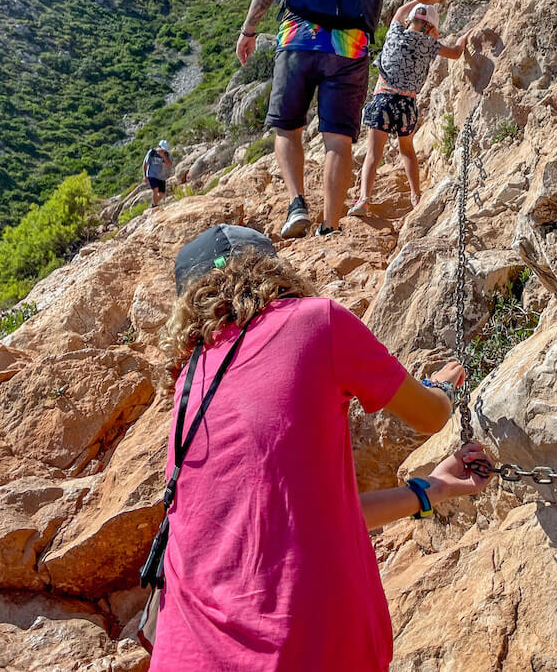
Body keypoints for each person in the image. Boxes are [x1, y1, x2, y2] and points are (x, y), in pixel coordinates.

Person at [150, 224, 492, 671]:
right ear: (274, 272)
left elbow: (301, 517)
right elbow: (430, 416)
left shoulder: (189, 384)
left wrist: (430, 490)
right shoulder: (315, 321)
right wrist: (440, 389)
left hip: (186, 653)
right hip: (301, 647)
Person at [236, 0, 456, 240]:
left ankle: (297, 203)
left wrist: (249, 30)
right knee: (338, 139)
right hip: (349, 46)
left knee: (288, 128)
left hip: (298, 38)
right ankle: (330, 225)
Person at [350, 0, 467, 216]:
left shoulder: (395, 34)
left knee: (373, 155)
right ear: (431, 28)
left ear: (411, 20)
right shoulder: (429, 45)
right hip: (407, 105)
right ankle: (415, 196)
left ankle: (364, 199)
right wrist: (464, 38)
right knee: (408, 152)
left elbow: (398, 13)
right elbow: (456, 52)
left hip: (383, 100)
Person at [143, 140, 173, 207]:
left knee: (162, 194)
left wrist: (163, 156)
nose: (163, 151)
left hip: (161, 176)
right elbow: (145, 163)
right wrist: (145, 175)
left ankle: (154, 204)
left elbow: (170, 164)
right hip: (152, 174)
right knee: (155, 189)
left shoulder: (166, 154)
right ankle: (155, 206)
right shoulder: (152, 152)